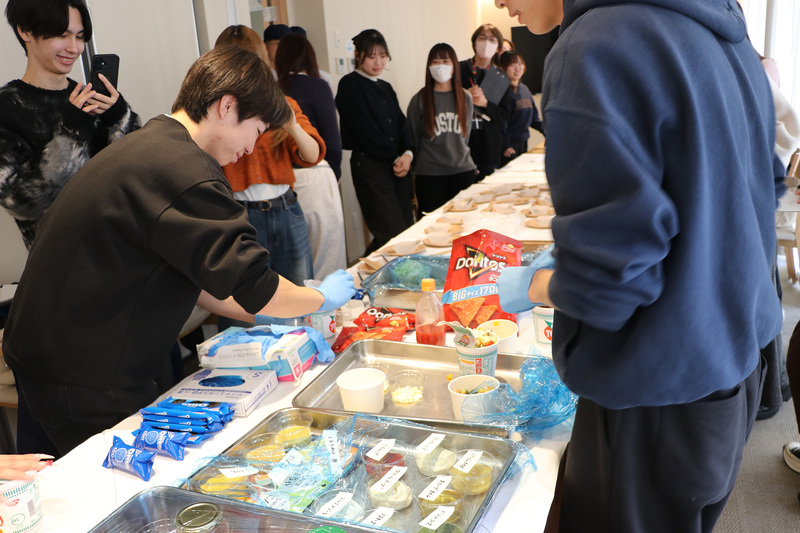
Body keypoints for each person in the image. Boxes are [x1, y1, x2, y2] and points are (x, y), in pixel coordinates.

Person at [493, 1, 784, 532]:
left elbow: (610, 287)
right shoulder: (722, 31)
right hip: (729, 377)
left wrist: (536, 284)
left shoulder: (595, 46)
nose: (497, 3)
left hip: (651, 398)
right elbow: (764, 184)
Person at [1, 45, 355, 458]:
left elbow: (201, 280)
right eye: (256, 130)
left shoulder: (157, 143)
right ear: (227, 106)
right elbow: (257, 286)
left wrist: (266, 314)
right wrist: (319, 298)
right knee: (119, 483)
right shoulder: (186, 171)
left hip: (48, 352)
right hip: (82, 370)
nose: (250, 148)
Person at [0, 0, 140, 249]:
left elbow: (140, 173)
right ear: (26, 31)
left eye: (80, 36)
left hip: (125, 249)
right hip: (62, 261)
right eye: (61, 35)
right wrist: (71, 131)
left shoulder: (91, 98)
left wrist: (120, 117)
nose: (74, 48)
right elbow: (20, 202)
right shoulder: (7, 106)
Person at [216, 25, 324, 286]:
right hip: (240, 216)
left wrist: (291, 125)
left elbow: (312, 155)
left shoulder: (281, 102)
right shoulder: (217, 111)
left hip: (286, 210)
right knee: (247, 298)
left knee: (300, 292)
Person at [336, 29, 415, 255]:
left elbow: (402, 123)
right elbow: (365, 131)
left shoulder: (385, 87)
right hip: (370, 167)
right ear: (358, 55)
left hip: (397, 167)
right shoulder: (350, 84)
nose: (378, 62)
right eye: (372, 56)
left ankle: (370, 268)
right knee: (391, 233)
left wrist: (408, 154)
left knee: (406, 230)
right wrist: (395, 157)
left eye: (382, 55)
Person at [276, 32, 346, 278]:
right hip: (314, 176)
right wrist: (335, 174)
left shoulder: (273, 89)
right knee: (327, 261)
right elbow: (332, 143)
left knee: (298, 266)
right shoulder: (318, 86)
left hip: (282, 184)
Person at [407, 43, 476, 214]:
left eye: (446, 61)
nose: (440, 66)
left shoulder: (465, 97)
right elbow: (413, 137)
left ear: (454, 67)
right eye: (435, 62)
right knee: (431, 224)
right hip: (429, 174)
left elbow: (465, 135)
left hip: (462, 170)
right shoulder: (419, 99)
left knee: (463, 221)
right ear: (429, 67)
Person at [459, 24, 514, 181]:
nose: (486, 43)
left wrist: (485, 104)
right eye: (482, 38)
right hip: (462, 144)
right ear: (474, 43)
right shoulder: (458, 69)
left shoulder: (501, 77)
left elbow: (504, 115)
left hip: (489, 146)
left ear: (498, 48)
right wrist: (465, 95)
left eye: (492, 40)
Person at [498, 49, 543, 168]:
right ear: (503, 68)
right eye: (512, 65)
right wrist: (505, 145)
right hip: (508, 148)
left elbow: (534, 118)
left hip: (523, 142)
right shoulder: (502, 92)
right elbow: (500, 122)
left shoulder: (524, 89)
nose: (517, 68)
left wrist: (547, 131)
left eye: (520, 64)